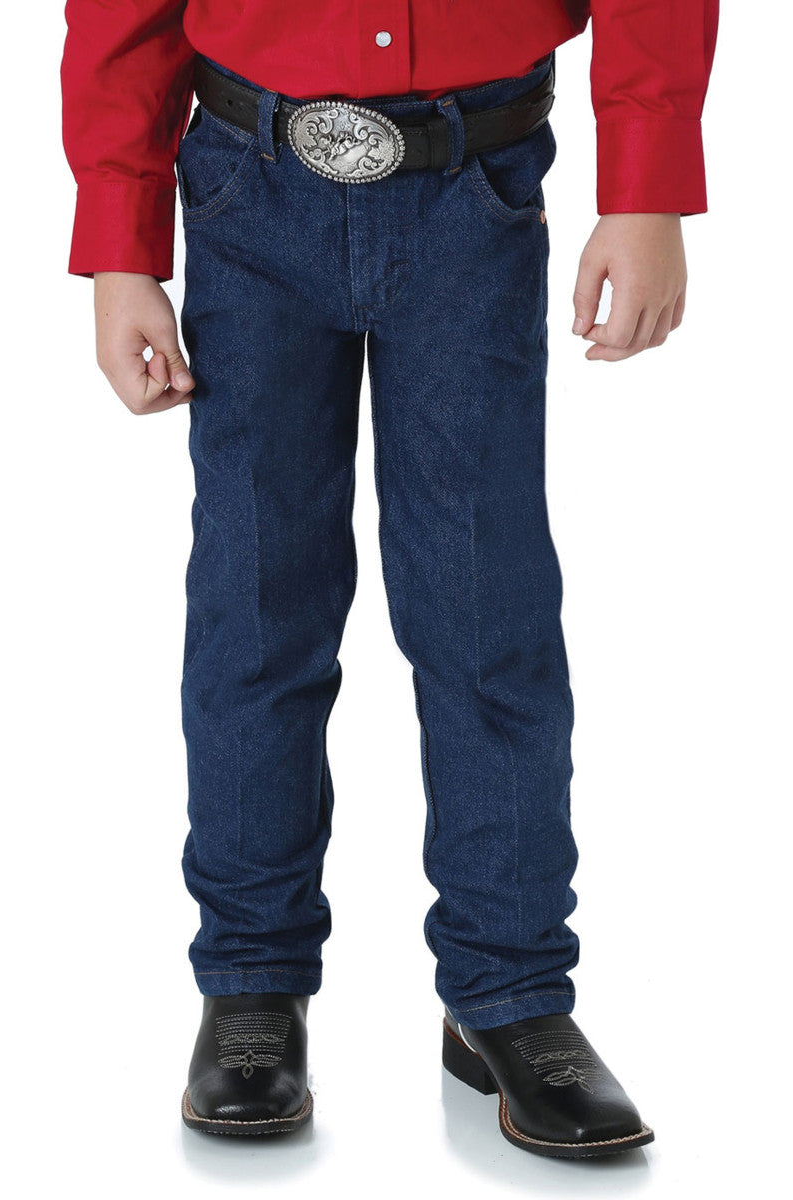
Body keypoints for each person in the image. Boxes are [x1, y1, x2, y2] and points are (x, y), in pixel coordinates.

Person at [60, 1, 717, 1157]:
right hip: (249, 186)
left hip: (476, 188)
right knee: (256, 607)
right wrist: (121, 244)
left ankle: (509, 991)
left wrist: (646, 186)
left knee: (486, 607)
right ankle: (252, 984)